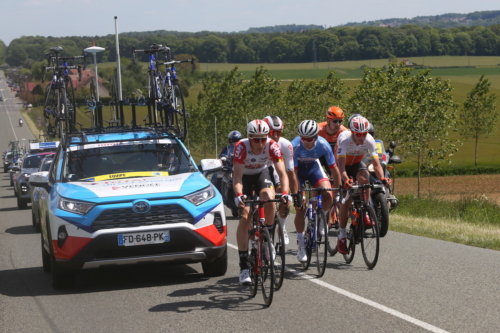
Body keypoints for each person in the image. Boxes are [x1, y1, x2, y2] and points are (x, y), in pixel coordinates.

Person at [233, 120, 291, 284]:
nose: (260, 143)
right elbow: (237, 177)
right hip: (243, 177)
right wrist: (238, 195)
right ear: (249, 137)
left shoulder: (272, 146)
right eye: (256, 139)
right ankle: (244, 266)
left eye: (263, 138)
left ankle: (267, 240)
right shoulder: (241, 147)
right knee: (245, 215)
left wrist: (285, 193)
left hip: (261, 174)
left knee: (269, 199)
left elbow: (282, 172)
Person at [336, 115, 389, 254]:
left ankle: (365, 210)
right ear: (353, 132)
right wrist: (346, 180)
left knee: (365, 180)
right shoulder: (344, 139)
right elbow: (340, 165)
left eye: (364, 134)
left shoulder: (369, 140)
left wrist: (382, 178)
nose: (361, 137)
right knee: (346, 201)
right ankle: (341, 237)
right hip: (343, 166)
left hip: (356, 163)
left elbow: (376, 164)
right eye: (358, 134)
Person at [291, 120, 342, 263]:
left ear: (316, 137)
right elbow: (293, 174)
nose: (306, 142)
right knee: (300, 207)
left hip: (314, 168)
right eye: (303, 138)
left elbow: (334, 170)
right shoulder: (294, 146)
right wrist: (297, 194)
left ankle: (322, 222)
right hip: (298, 173)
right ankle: (301, 244)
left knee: (327, 193)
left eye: (310, 138)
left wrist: (337, 193)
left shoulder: (323, 144)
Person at [263, 115, 298, 245]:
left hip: (277, 171)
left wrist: (294, 194)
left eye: (279, 132)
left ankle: (281, 227)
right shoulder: (259, 143)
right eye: (273, 133)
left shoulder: (286, 145)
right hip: (262, 172)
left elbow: (290, 172)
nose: (276, 136)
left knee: (285, 198)